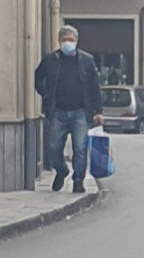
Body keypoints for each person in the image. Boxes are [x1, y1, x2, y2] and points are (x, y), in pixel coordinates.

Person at [32, 24, 105, 192]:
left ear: (77, 41)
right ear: (59, 41)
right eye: (64, 40)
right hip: (58, 111)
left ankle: (78, 180)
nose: (67, 43)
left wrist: (98, 111)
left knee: (80, 148)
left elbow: (95, 87)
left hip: (80, 111)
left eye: (71, 40)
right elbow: (38, 77)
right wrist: (46, 95)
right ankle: (61, 170)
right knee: (53, 147)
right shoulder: (50, 60)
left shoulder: (87, 61)